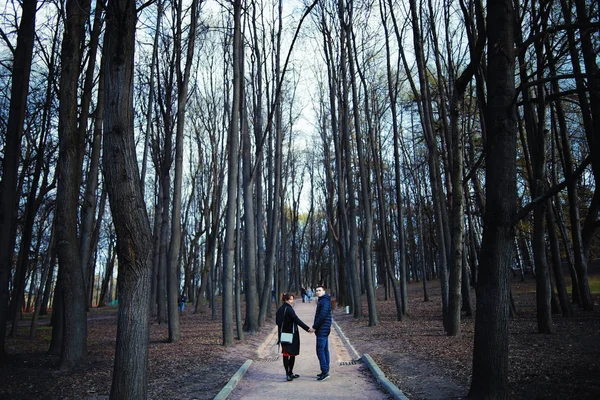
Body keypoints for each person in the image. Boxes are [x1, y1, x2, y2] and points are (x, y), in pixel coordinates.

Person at [275, 293, 314, 381]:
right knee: (289, 354)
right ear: (286, 300)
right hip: (290, 334)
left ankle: (290, 373)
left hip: (282, 334)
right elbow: (297, 320)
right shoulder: (289, 309)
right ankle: (288, 374)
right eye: (291, 299)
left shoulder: (280, 309)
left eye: (292, 299)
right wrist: (307, 329)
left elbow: (277, 322)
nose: (292, 301)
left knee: (289, 353)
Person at [312, 285, 332, 381]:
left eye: (320, 290)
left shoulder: (324, 301)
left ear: (324, 291)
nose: (318, 292)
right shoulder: (323, 300)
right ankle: (325, 370)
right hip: (324, 329)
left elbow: (322, 315)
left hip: (322, 329)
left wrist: (314, 327)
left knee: (320, 350)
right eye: (316, 291)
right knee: (324, 350)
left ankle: (325, 371)